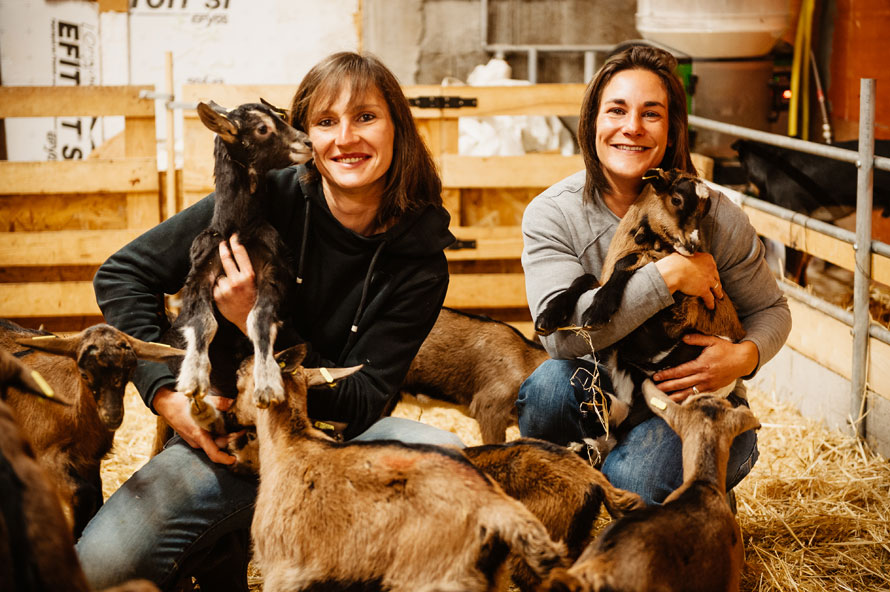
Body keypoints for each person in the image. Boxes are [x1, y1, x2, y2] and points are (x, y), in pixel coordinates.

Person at [76, 51, 462, 591]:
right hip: (228, 440)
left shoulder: (419, 259)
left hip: (336, 447)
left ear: (398, 125)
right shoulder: (262, 196)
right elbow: (123, 275)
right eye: (326, 122)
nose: (346, 137)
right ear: (304, 133)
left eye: (366, 117)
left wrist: (248, 319)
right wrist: (167, 395)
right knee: (96, 572)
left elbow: (363, 398)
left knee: (450, 458)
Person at [518, 44, 791, 505]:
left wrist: (744, 357)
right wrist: (670, 276)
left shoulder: (715, 215)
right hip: (614, 381)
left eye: (651, 114)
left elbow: (771, 309)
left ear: (672, 128)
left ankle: (689, 477)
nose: (632, 128)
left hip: (694, 398)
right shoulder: (554, 214)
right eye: (617, 110)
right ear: (592, 122)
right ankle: (590, 472)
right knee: (546, 390)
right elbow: (561, 340)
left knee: (635, 484)